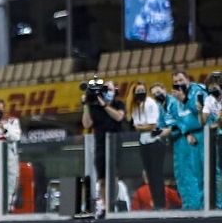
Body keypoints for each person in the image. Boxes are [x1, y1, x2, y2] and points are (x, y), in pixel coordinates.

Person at [81, 79, 125, 215]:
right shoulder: (94, 106)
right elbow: (86, 124)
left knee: (113, 176)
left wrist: (105, 105)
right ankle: (105, 205)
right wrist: (86, 105)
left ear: (115, 91)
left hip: (114, 143)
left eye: (110, 89)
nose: (107, 92)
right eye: (105, 89)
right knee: (102, 178)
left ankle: (113, 203)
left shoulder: (118, 104)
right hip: (99, 144)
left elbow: (119, 117)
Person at [168, 70, 207, 209]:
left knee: (208, 172)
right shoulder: (174, 99)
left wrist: (184, 99)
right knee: (194, 174)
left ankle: (213, 206)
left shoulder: (198, 90)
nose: (179, 84)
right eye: (176, 82)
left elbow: (202, 111)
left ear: (188, 80)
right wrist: (186, 132)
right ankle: (196, 207)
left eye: (181, 80)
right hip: (189, 137)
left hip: (205, 134)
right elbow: (176, 119)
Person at [129, 81, 166, 209]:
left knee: (157, 174)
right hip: (143, 142)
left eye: (142, 90)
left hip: (154, 142)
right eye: (137, 91)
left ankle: (160, 204)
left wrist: (142, 127)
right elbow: (135, 126)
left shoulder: (150, 103)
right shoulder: (134, 106)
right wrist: (143, 127)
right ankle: (156, 203)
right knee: (149, 175)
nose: (140, 93)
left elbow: (152, 125)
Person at [200, 72, 221, 208]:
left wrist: (217, 121)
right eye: (211, 87)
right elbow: (203, 120)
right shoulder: (209, 99)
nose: (214, 90)